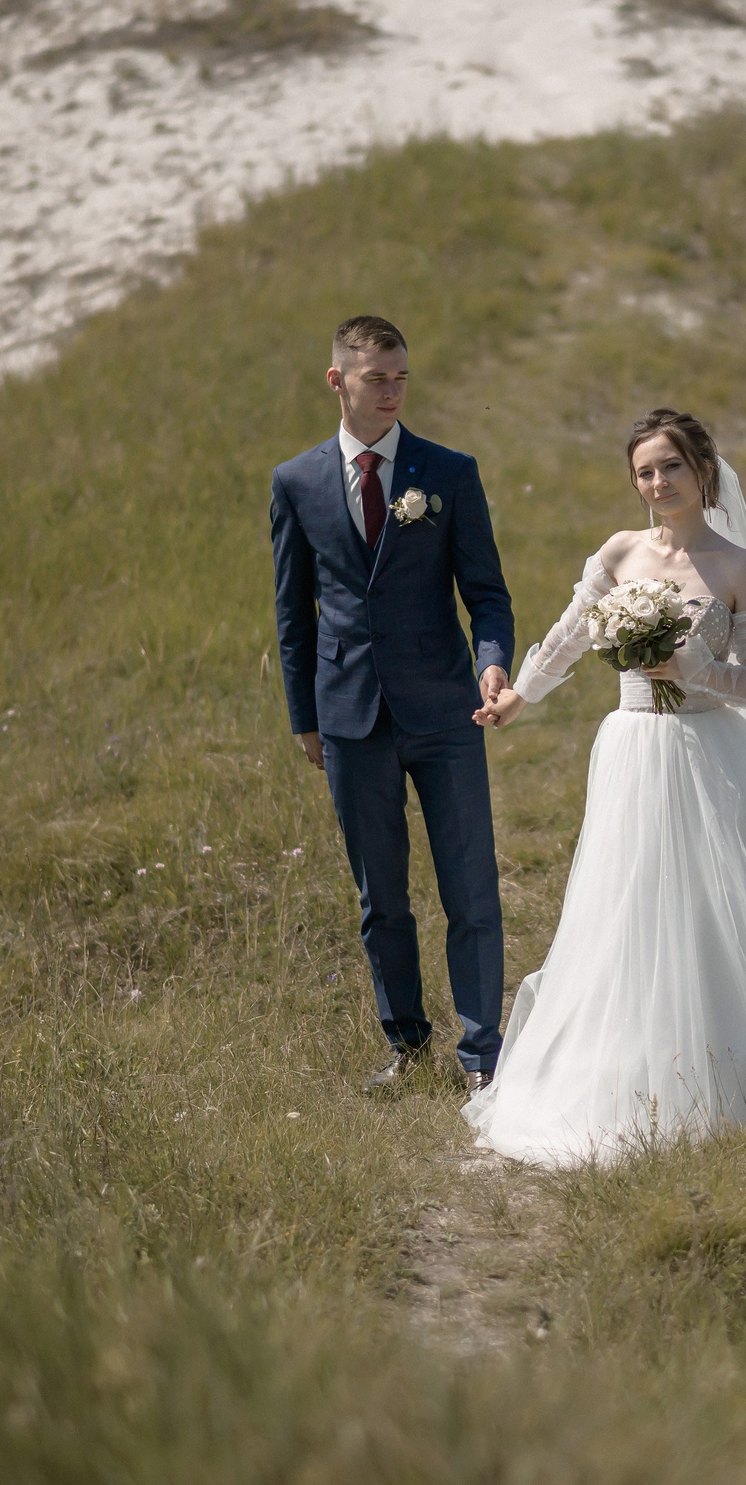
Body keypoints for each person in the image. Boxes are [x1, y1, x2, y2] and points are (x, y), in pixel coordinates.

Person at [467, 408, 746, 1165]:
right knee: (629, 902)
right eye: (644, 472)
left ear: (703, 469)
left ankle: (732, 1067)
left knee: (718, 906)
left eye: (671, 466)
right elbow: (570, 636)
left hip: (710, 751)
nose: (658, 483)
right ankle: (625, 1066)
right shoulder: (620, 552)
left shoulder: (738, 567)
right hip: (632, 750)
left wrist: (697, 670)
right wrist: (518, 695)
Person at [268, 315, 516, 1092]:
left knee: (470, 886)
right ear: (337, 380)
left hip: (446, 710)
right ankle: (407, 1047)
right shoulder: (296, 481)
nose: (392, 391)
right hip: (349, 717)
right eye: (376, 378)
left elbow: (487, 594)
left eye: (401, 377)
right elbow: (293, 612)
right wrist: (305, 718)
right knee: (381, 898)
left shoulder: (448, 472)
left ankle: (482, 1054)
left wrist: (493, 663)